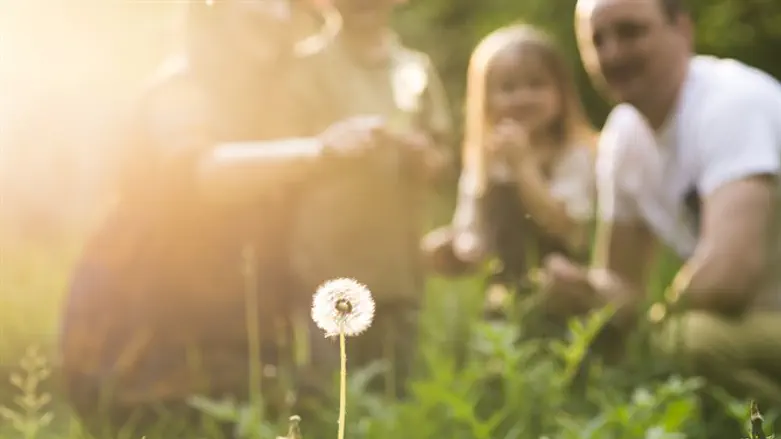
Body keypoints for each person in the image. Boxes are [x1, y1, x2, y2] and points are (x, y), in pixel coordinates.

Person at [58, 1, 381, 437]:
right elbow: (200, 173)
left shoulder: (272, 102)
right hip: (146, 326)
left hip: (237, 328)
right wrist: (318, 152)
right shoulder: (177, 90)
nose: (278, 16)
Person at [540, 0, 781, 406]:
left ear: (682, 30)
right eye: (598, 39)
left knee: (688, 340)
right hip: (759, 326)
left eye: (631, 32)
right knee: (619, 339)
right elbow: (621, 286)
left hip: (759, 319)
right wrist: (582, 289)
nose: (614, 53)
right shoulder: (623, 135)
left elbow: (728, 278)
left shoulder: (732, 103)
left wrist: (653, 320)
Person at [285, 0, 454, 399]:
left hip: (399, 274)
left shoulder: (415, 68)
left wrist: (421, 155)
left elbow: (442, 161)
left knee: (392, 395)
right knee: (326, 399)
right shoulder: (304, 66)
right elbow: (285, 156)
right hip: (320, 271)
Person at [422, 24, 596, 322]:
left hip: (565, 288)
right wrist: (457, 248)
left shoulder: (576, 155)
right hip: (503, 294)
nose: (522, 97)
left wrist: (523, 166)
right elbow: (472, 229)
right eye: (508, 88)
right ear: (485, 99)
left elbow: (568, 228)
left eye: (536, 84)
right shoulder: (485, 161)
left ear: (561, 92)